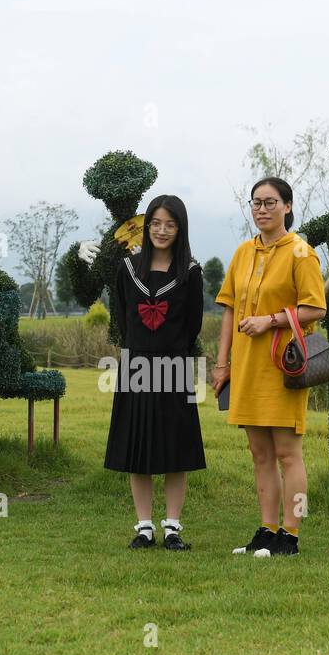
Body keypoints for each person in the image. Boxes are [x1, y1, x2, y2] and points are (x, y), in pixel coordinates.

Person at [212, 178, 327, 557]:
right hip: (246, 366)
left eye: (271, 203)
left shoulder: (301, 254)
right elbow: (229, 310)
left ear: (288, 207)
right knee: (259, 453)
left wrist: (270, 320)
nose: (262, 210)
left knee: (287, 453)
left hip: (283, 365)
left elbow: (316, 307)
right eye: (256, 203)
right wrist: (222, 363)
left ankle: (291, 535)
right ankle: (266, 529)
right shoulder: (243, 252)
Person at [102, 195, 206, 549]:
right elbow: (121, 314)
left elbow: (193, 324)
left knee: (176, 448)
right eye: (156, 224)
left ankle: (173, 527)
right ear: (145, 229)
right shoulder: (128, 268)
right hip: (136, 366)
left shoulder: (190, 272)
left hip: (175, 365)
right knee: (138, 447)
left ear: (180, 229)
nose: (162, 231)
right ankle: (144, 527)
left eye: (170, 224)